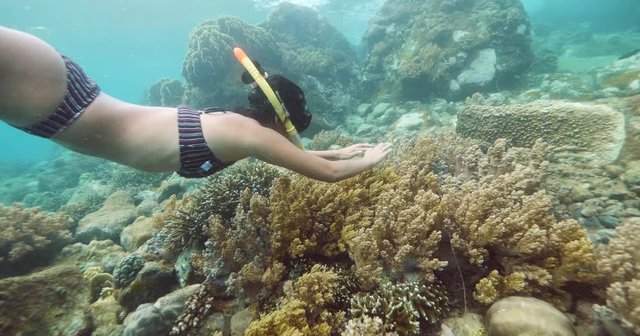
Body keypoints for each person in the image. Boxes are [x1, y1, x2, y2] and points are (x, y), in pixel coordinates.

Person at [0, 26, 392, 182]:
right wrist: (369, 159)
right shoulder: (248, 134)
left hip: (61, 104)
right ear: (280, 116)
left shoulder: (247, 132)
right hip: (59, 102)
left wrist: (341, 150)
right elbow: (323, 173)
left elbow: (296, 156)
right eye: (292, 126)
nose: (291, 135)